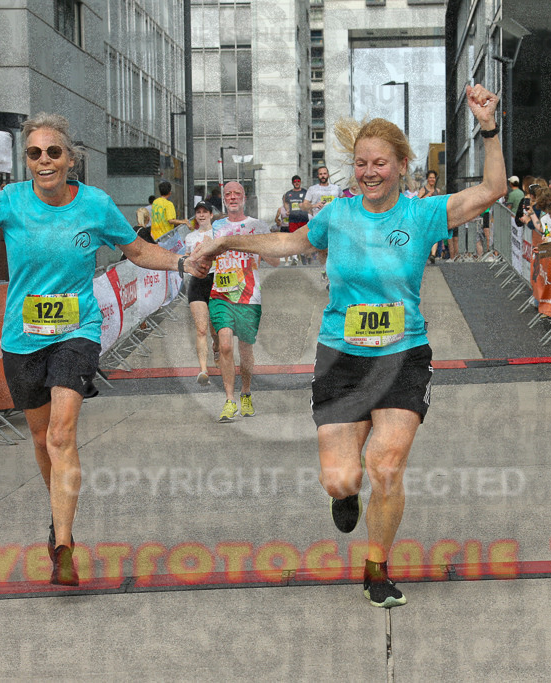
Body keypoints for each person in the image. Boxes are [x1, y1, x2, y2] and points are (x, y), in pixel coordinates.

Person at [194, 83, 506, 608]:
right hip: (341, 357)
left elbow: (493, 188)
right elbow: (290, 243)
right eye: (361, 164)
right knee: (341, 479)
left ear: (401, 165)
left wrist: (489, 126)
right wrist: (227, 240)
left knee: (386, 465)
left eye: (380, 163)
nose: (369, 172)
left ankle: (376, 567)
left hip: (403, 354)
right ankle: (344, 495)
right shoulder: (337, 216)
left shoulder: (422, 215)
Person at [0, 113, 209, 586]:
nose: (44, 160)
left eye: (53, 152)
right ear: (27, 160)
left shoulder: (95, 204)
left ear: (70, 159)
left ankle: (64, 546)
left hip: (77, 332)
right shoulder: (9, 201)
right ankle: (58, 519)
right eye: (34, 153)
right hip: (22, 339)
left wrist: (181, 263)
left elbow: (136, 251)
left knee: (61, 434)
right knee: (39, 438)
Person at [208, 181, 280, 423]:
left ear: (244, 198)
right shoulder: (216, 226)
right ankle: (229, 400)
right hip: (221, 294)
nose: (232, 197)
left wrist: (258, 246)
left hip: (249, 296)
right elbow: (209, 256)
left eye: (236, 193)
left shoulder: (258, 226)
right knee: (225, 345)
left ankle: (246, 392)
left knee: (245, 350)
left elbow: (275, 261)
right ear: (224, 199)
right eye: (228, 194)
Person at [184, 201, 220, 385]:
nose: (201, 215)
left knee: (215, 329)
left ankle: (217, 347)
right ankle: (203, 370)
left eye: (205, 212)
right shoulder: (190, 237)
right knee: (201, 329)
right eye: (198, 212)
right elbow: (187, 259)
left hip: (215, 281)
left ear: (211, 215)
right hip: (197, 282)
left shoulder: (219, 233)